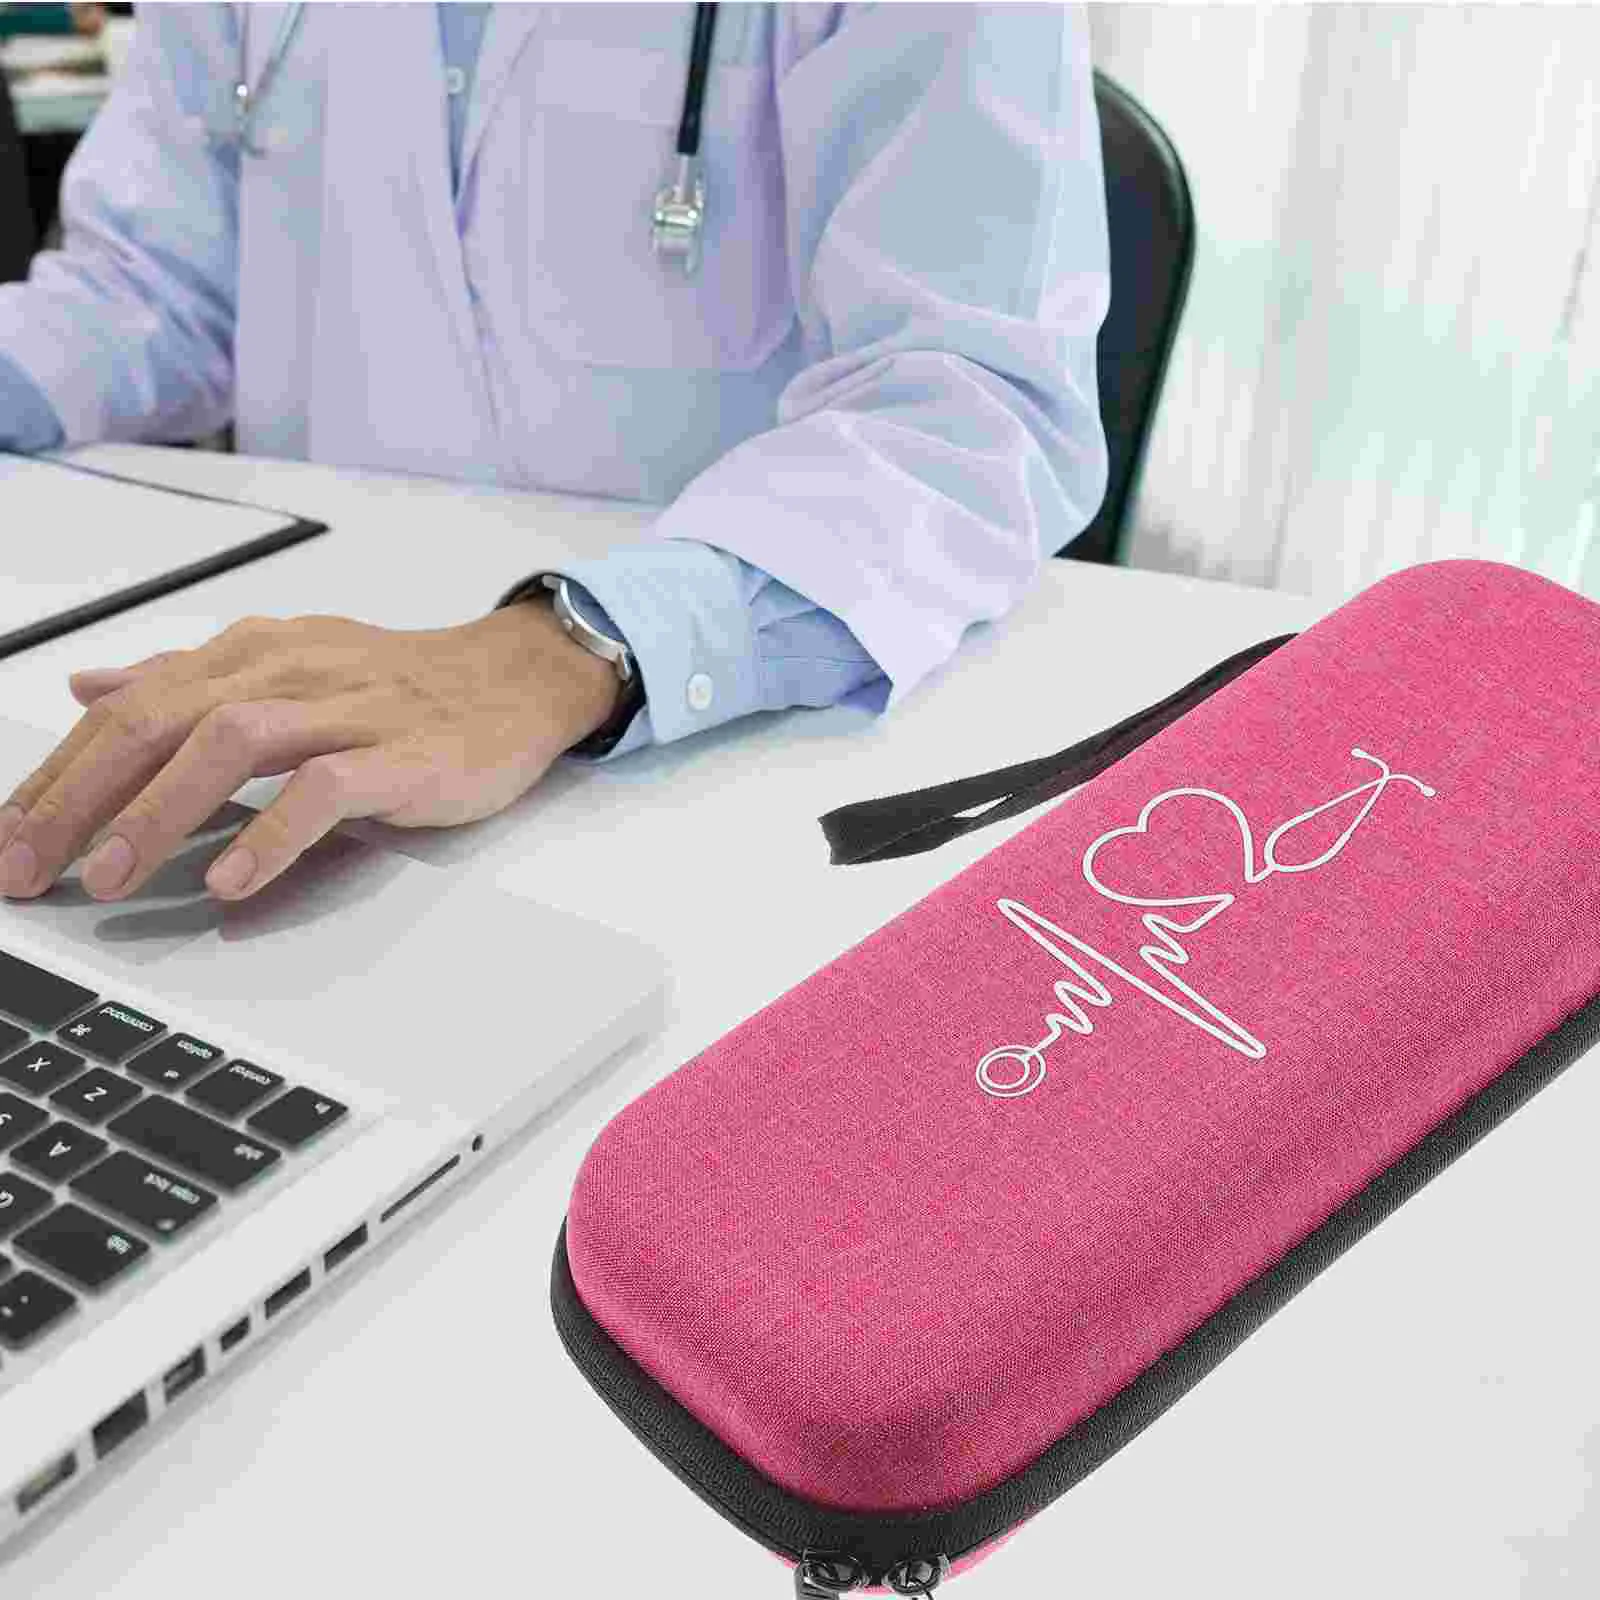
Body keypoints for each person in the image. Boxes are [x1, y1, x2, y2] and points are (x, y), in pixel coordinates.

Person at [0, 3, 1109, 906]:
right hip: (298, 692)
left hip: (725, 749)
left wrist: (573, 646)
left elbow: (972, 404)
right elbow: (155, 291)